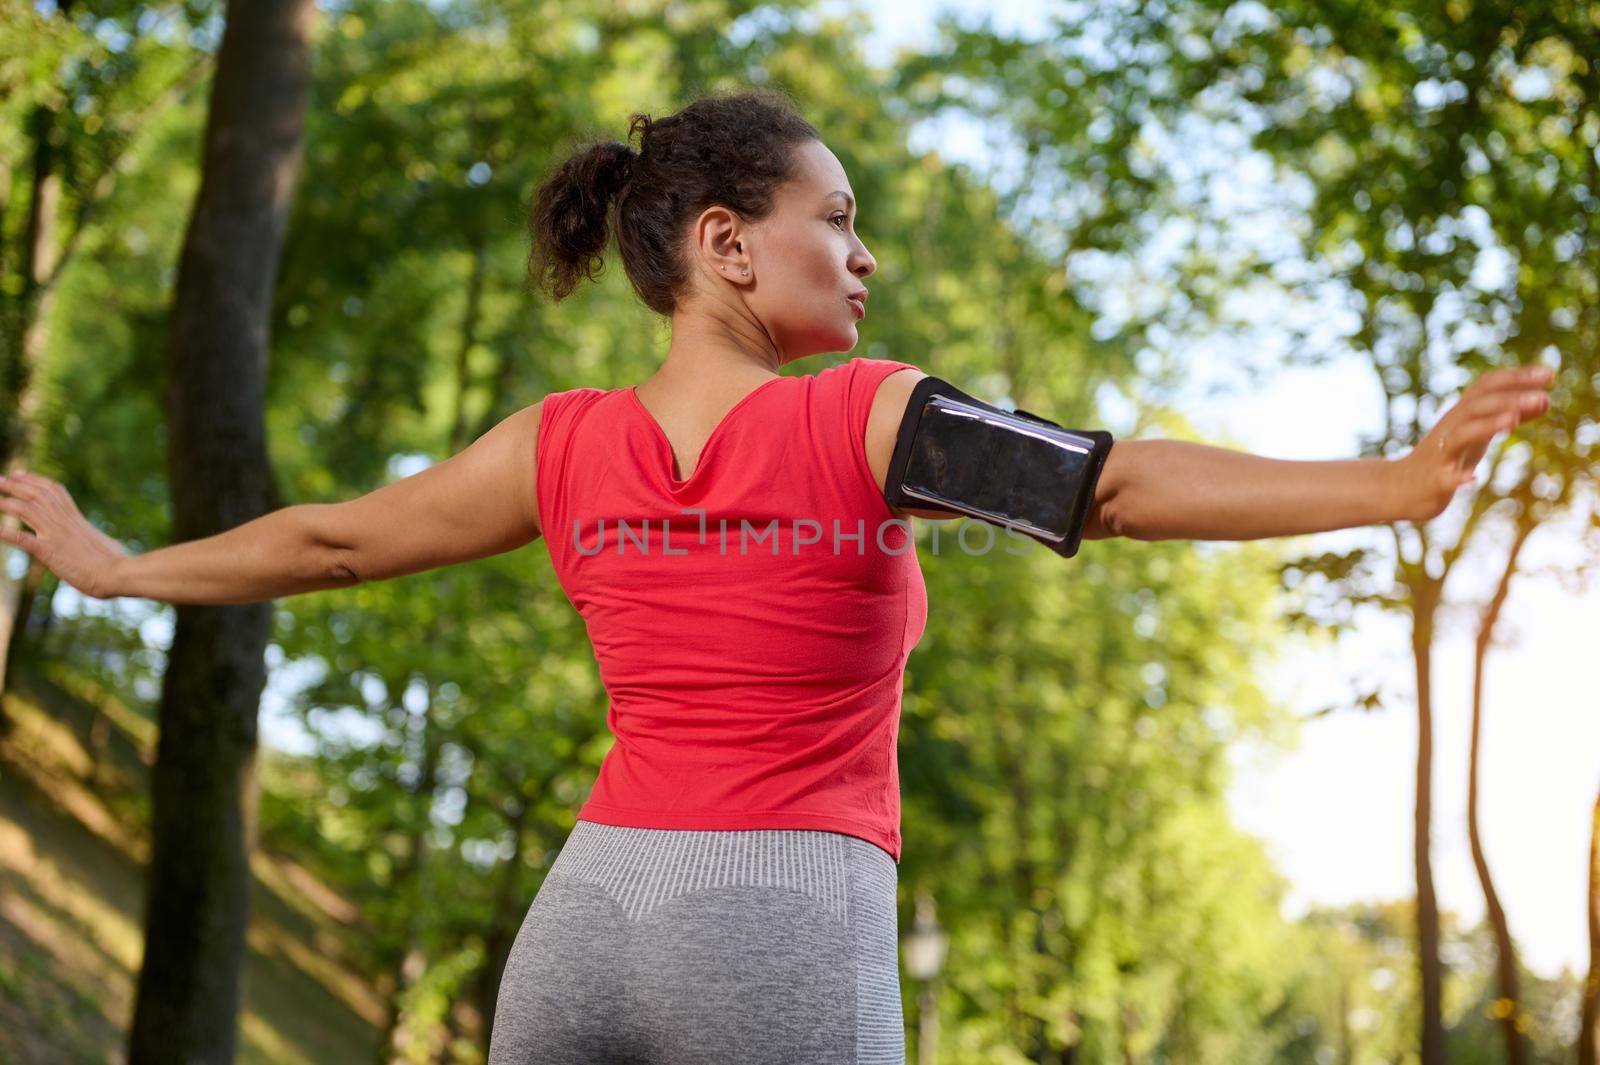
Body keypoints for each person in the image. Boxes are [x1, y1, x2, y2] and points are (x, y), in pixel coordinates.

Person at [0, 88, 1556, 1064]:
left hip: (584, 917)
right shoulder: (866, 416)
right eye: (840, 220)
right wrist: (1398, 487)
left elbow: (330, 537)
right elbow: (1119, 483)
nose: (864, 258)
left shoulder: (558, 442)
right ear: (731, 247)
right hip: (783, 910)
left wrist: (121, 566)